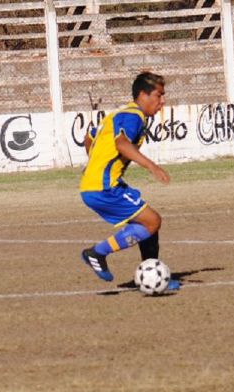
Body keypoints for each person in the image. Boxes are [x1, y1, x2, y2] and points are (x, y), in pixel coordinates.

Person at [79, 72, 179, 290]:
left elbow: (90, 137)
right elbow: (122, 144)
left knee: (147, 222)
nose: (162, 101)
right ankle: (97, 253)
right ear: (143, 95)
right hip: (104, 187)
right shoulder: (134, 117)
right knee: (153, 221)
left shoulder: (119, 113)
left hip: (95, 185)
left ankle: (150, 272)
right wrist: (152, 166)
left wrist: (94, 164)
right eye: (159, 95)